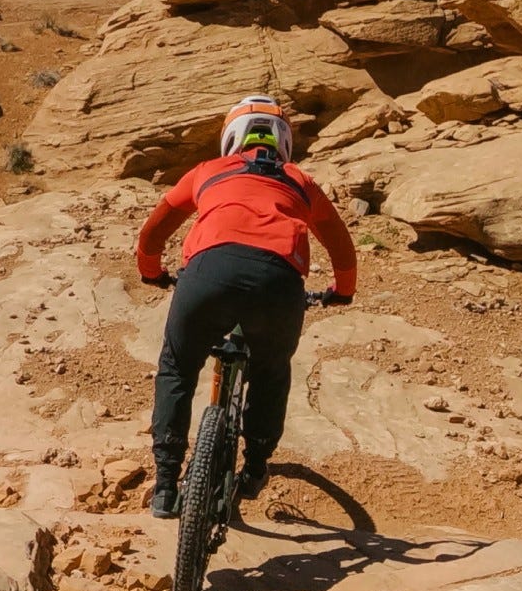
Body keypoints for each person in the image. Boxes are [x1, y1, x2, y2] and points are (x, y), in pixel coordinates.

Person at [134, 94, 356, 519]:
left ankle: (165, 485)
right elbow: (341, 246)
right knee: (272, 369)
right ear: (284, 143)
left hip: (207, 274)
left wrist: (151, 272)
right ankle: (254, 467)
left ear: (231, 137)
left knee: (178, 368)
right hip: (278, 284)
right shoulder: (301, 182)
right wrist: (342, 290)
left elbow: (154, 231)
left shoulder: (207, 171)